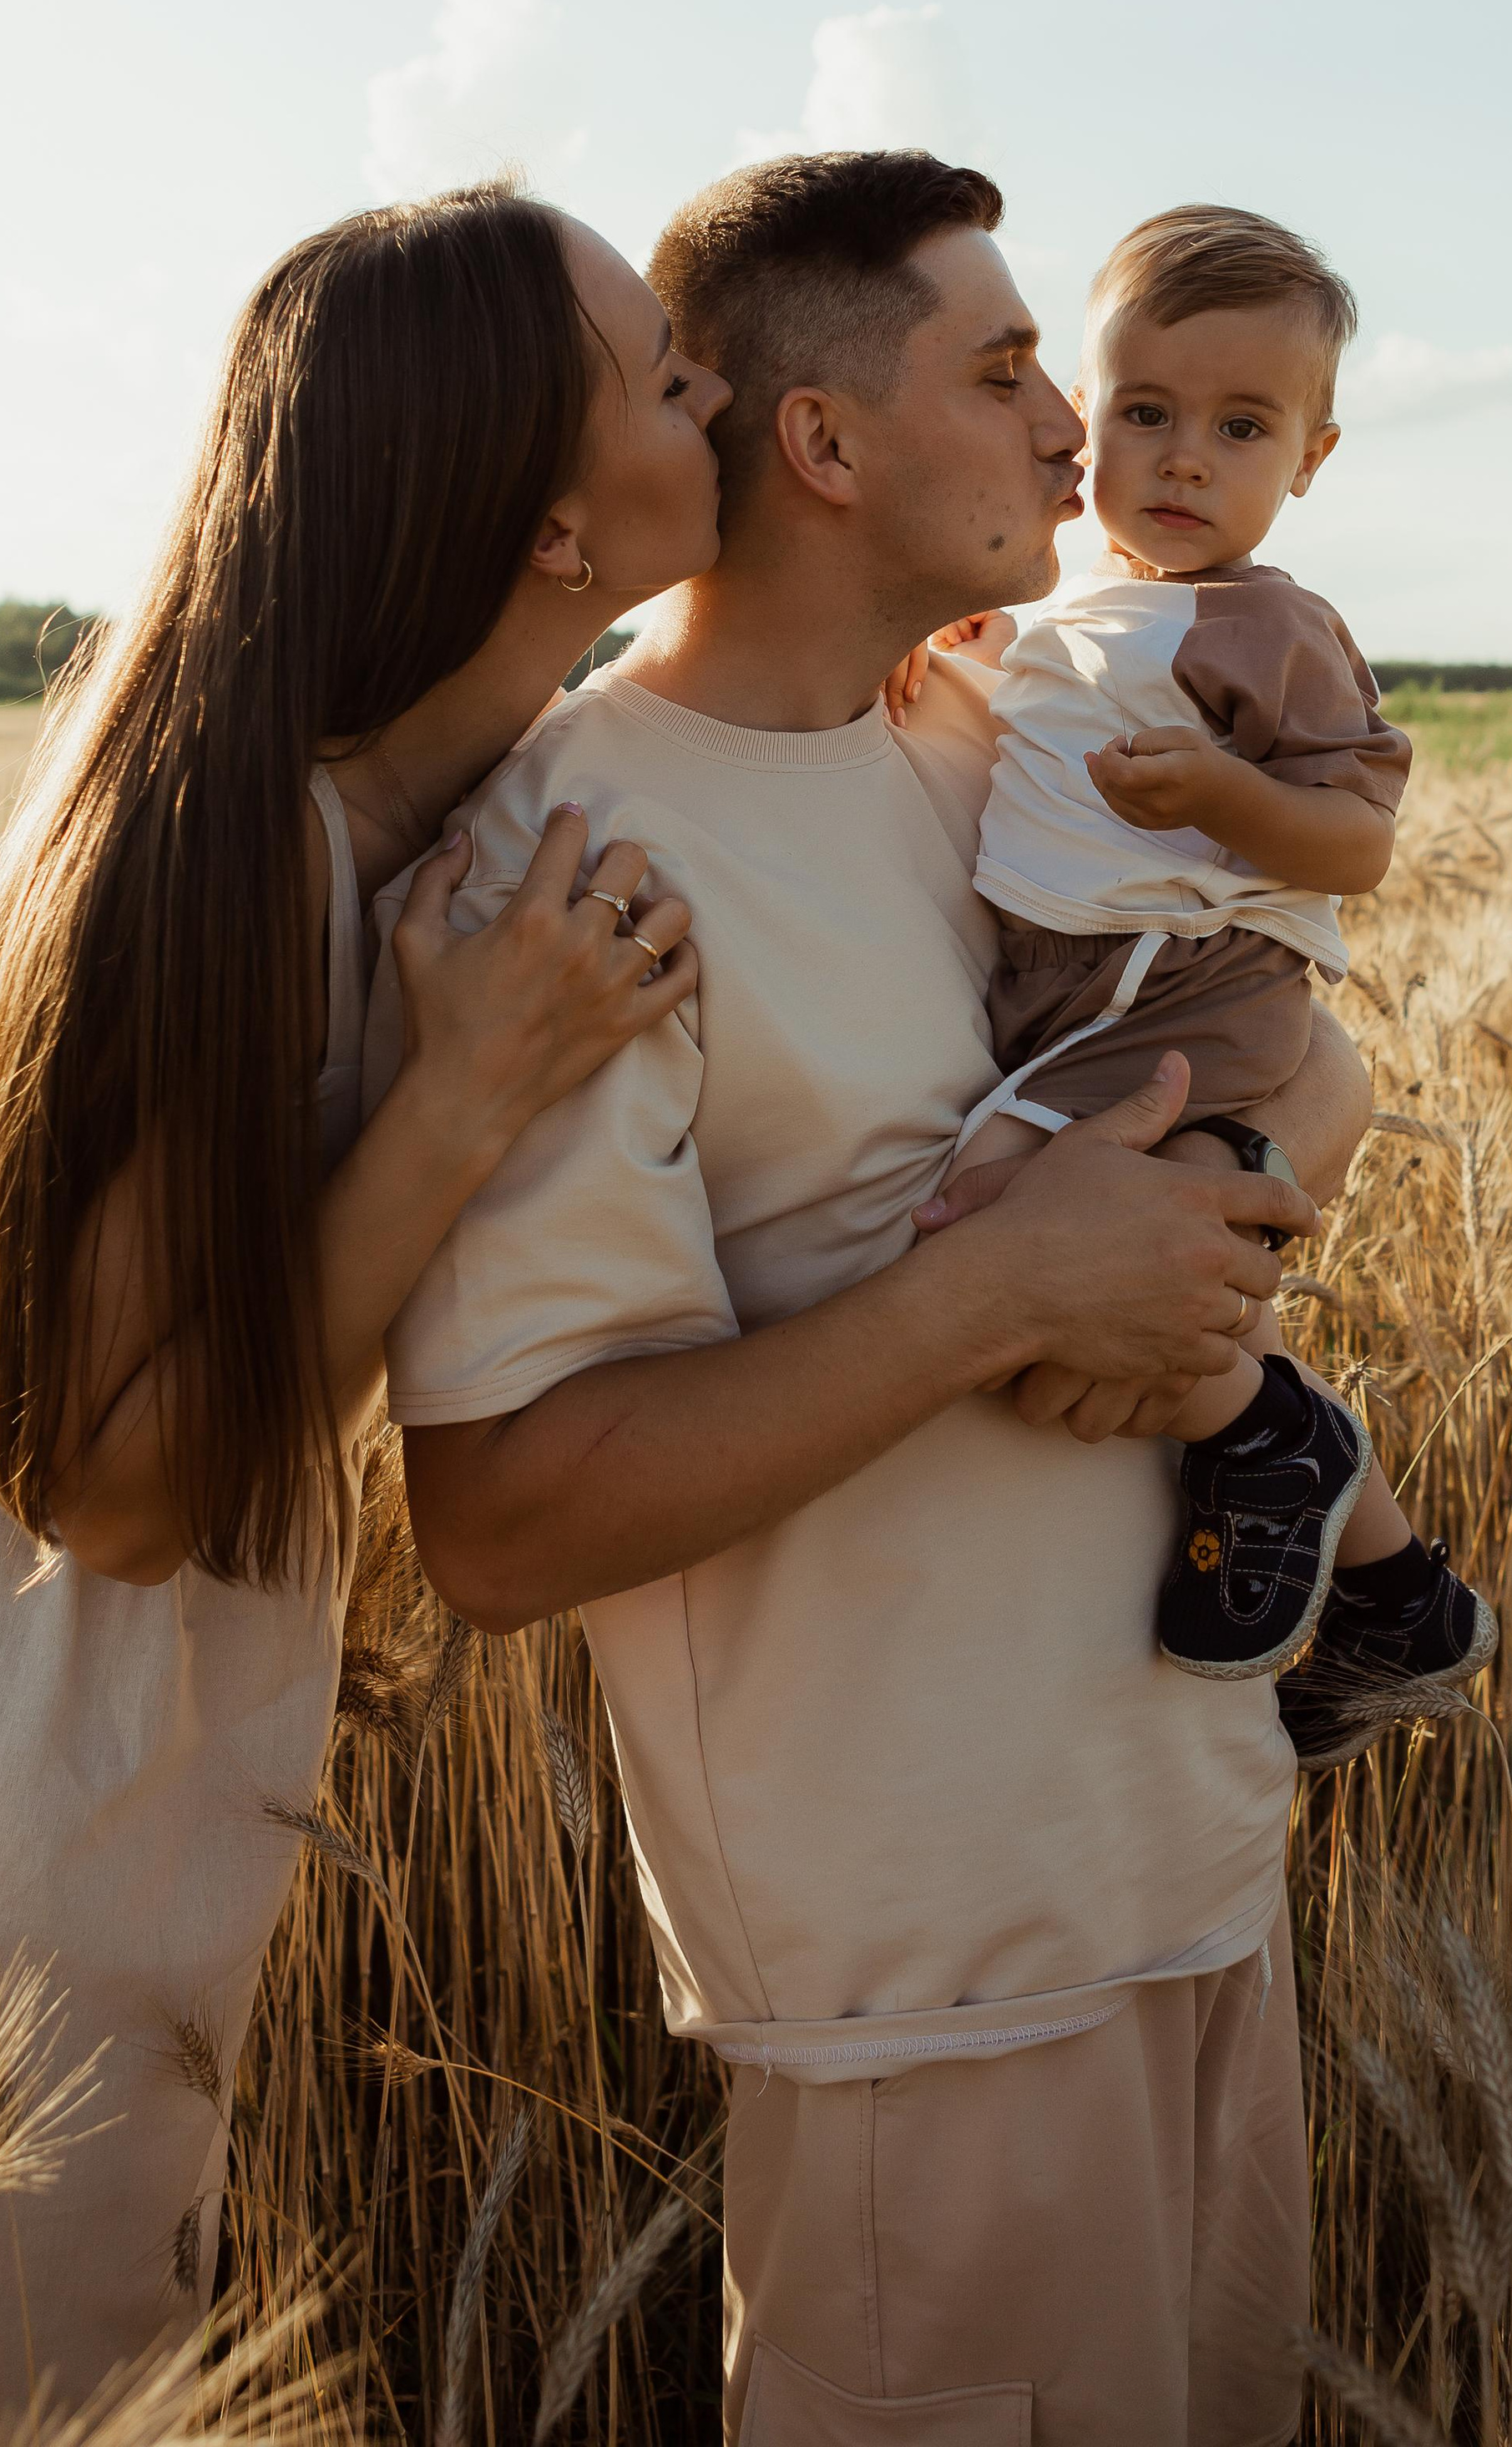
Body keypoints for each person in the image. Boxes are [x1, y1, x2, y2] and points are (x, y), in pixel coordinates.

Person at [0, 184, 726, 2443]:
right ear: (539, 514)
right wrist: (467, 1093)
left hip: (65, 1782)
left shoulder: (345, 812)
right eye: (666, 371)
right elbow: (113, 1484)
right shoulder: (250, 836)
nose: (722, 388)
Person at [380, 150, 1373, 2445]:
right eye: (1007, 365)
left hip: (1200, 1870)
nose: (1074, 430)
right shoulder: (573, 855)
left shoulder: (997, 744)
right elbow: (503, 1520)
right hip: (924, 1977)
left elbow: (1312, 1055)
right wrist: (1003, 1290)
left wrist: (1217, 1208)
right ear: (822, 444)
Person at [916, 204, 1497, 1754]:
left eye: (1241, 427)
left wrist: (1224, 800)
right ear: (1082, 420)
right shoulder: (1087, 607)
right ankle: (1399, 1595)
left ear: (1309, 459)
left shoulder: (1274, 628)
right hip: (1093, 987)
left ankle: (1263, 1441)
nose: (1184, 460)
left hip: (1179, 991)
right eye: (1146, 413)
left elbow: (1356, 844)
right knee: (1142, 1266)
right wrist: (962, 644)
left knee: (992, 1214)